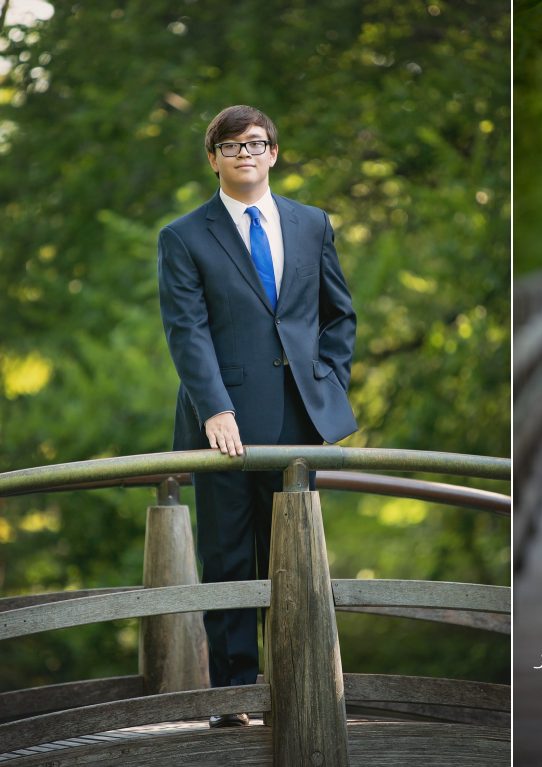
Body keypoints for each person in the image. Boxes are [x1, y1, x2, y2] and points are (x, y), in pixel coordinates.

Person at [158, 105, 357, 728]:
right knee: (226, 558)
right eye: (230, 145)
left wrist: (326, 382)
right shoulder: (185, 236)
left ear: (274, 152)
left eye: (255, 143)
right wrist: (214, 406)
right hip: (221, 427)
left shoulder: (312, 223)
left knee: (293, 558)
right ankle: (234, 700)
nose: (245, 154)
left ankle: (297, 692)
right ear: (213, 158)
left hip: (298, 420)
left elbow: (338, 315)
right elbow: (187, 331)